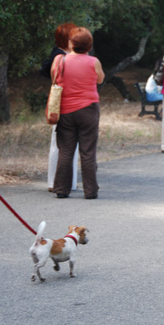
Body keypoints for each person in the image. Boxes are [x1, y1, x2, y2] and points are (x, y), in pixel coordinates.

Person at [51, 27, 105, 199]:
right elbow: (100, 79)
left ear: (70, 43)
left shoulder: (60, 60)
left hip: (66, 109)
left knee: (65, 151)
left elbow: (54, 77)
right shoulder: (93, 61)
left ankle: (61, 188)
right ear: (89, 45)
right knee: (88, 151)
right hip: (88, 109)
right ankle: (90, 191)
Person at [40, 22, 79, 191]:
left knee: (66, 144)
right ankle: (55, 182)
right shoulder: (60, 56)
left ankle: (66, 181)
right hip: (64, 102)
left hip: (67, 101)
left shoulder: (64, 55)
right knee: (59, 143)